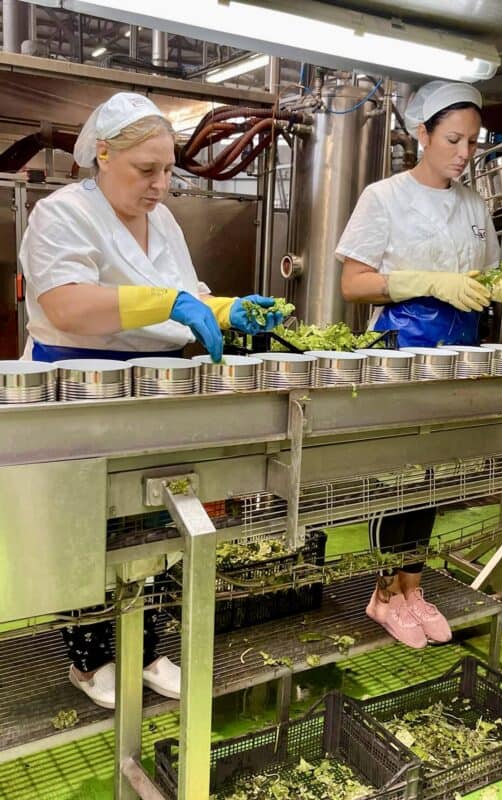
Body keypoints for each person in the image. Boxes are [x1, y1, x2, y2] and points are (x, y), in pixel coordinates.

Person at [19, 91, 282, 708]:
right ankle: (90, 657)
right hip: (81, 387)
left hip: (155, 389)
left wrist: (223, 307)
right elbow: (65, 305)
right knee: (90, 524)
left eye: (168, 170)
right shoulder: (61, 214)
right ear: (102, 154)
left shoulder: (160, 218)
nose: (161, 184)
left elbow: (182, 293)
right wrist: (166, 304)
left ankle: (149, 644)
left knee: (159, 517)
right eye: (147, 170)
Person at [336, 80, 502, 649]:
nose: (465, 153)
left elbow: (483, 273)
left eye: (473, 141)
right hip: (402, 349)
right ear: (421, 134)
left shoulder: (472, 203)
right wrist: (421, 281)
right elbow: (353, 284)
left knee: (435, 475)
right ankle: (384, 593)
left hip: (458, 351)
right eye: (452, 139)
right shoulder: (384, 196)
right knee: (398, 477)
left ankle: (413, 590)